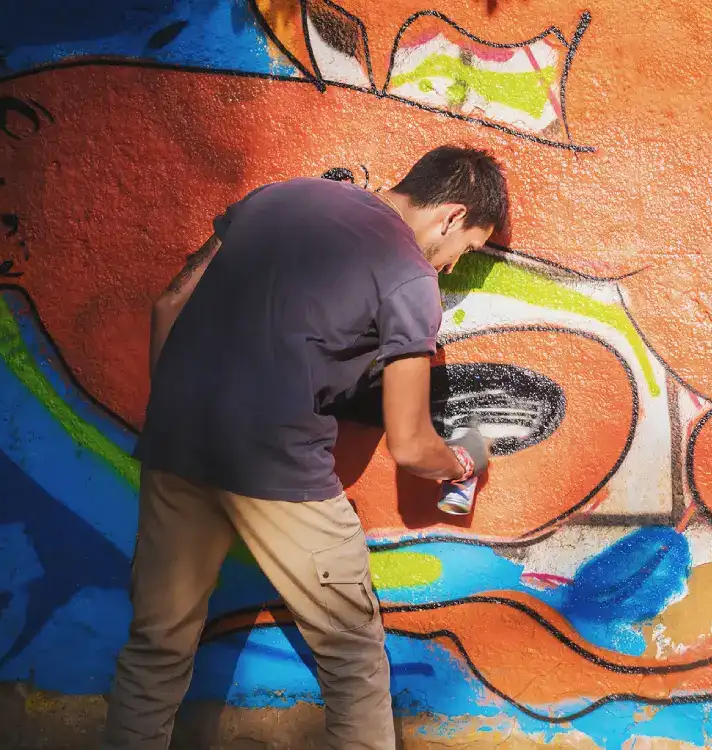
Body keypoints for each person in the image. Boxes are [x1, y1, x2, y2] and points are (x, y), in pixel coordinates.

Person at [102, 144, 509, 750]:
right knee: (352, 657)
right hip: (280, 469)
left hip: (174, 446)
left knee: (157, 642)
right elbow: (408, 444)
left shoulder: (278, 195)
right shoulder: (410, 275)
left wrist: (179, 416)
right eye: (466, 249)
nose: (452, 266)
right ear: (450, 215)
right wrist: (463, 460)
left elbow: (170, 303)